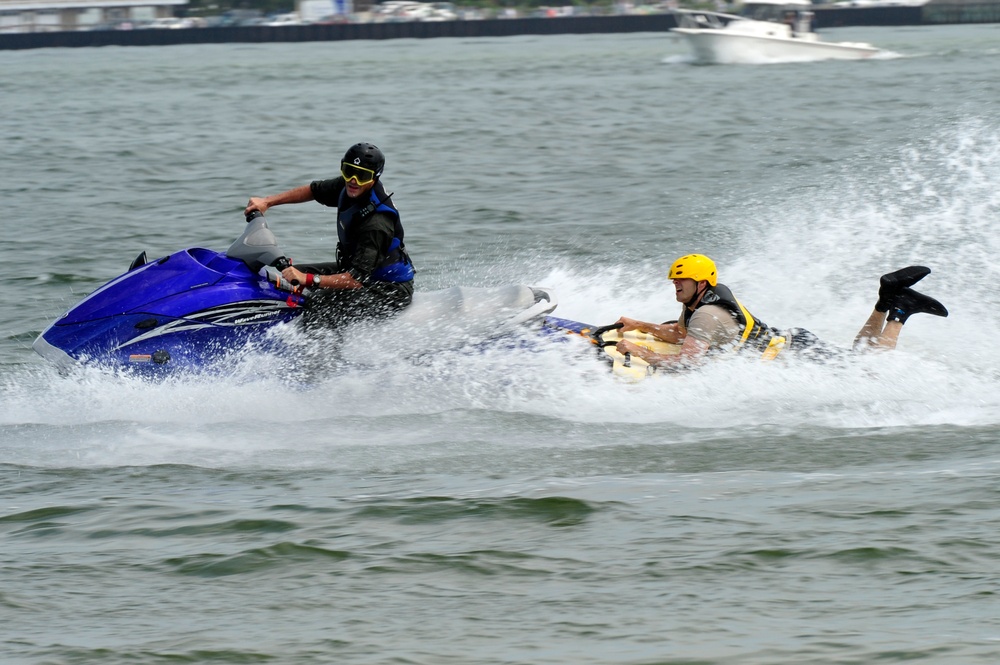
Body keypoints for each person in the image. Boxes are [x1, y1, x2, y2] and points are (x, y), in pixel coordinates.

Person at [613, 254, 948, 370]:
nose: (675, 285)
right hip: (795, 345)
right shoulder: (697, 304)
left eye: (682, 280)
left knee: (871, 369)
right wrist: (637, 324)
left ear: (702, 283)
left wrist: (639, 350)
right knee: (860, 358)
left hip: (798, 356)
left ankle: (900, 309)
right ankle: (886, 299)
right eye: (674, 280)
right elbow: (679, 335)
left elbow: (688, 362)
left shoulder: (704, 314)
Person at [244, 142, 415, 323]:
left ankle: (321, 350)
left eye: (362, 176)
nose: (353, 180)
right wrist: (267, 202)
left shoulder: (377, 224)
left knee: (321, 304)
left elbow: (355, 280)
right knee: (287, 280)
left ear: (374, 178)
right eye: (349, 171)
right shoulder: (347, 186)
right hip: (357, 271)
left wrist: (308, 279)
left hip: (389, 290)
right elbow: (313, 190)